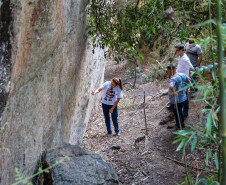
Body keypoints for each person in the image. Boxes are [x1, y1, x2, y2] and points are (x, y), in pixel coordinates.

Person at [166, 64, 190, 129]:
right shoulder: (182, 74)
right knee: (180, 111)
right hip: (183, 98)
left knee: (177, 113)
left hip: (176, 100)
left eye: (168, 71)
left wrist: (174, 92)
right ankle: (182, 123)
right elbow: (189, 82)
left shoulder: (173, 78)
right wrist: (186, 89)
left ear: (171, 70)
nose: (167, 72)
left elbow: (171, 86)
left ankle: (179, 126)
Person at [175, 43, 194, 117]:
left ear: (181, 51)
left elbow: (192, 69)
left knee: (185, 96)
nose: (175, 52)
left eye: (176, 50)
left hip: (184, 80)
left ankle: (185, 111)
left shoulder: (185, 59)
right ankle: (176, 107)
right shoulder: (180, 57)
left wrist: (188, 81)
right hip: (179, 78)